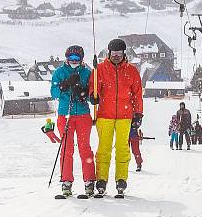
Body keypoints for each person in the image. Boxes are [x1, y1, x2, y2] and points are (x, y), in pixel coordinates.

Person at [88, 38, 143, 197]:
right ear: (109, 53)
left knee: (122, 149)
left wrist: (138, 113)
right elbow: (93, 86)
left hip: (125, 116)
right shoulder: (100, 69)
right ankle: (101, 180)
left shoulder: (132, 71)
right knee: (103, 149)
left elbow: (137, 94)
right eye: (114, 53)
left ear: (124, 53)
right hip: (105, 115)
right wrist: (93, 96)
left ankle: (121, 179)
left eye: (119, 53)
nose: (116, 56)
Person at [50, 45, 96, 197]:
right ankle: (66, 182)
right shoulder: (59, 72)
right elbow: (54, 92)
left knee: (84, 148)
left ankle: (89, 181)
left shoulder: (87, 72)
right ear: (66, 58)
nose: (74, 61)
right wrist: (64, 86)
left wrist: (83, 93)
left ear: (82, 59)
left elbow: (92, 93)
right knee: (66, 149)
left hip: (83, 114)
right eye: (71, 58)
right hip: (65, 114)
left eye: (77, 59)